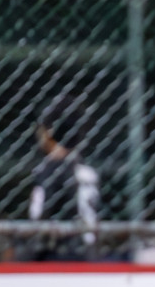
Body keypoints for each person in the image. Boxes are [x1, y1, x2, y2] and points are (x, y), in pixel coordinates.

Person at [27, 104, 102, 259]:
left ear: (49, 132)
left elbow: (39, 214)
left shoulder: (47, 171)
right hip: (87, 251)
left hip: (56, 252)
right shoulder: (87, 171)